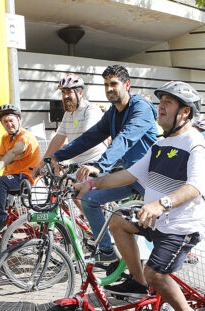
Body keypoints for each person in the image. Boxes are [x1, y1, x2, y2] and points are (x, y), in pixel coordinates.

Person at [74, 82, 205, 311]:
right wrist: (91, 184)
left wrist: (161, 204)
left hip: (181, 227)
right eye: (160, 102)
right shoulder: (160, 145)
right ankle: (138, 282)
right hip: (157, 221)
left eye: (168, 103)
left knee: (155, 274)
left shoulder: (194, 143)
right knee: (118, 221)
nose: (160, 107)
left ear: (185, 112)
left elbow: (195, 186)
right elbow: (129, 175)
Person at [52, 65, 159, 263]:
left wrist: (101, 165)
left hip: (151, 178)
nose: (109, 88)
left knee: (159, 228)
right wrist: (56, 156)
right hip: (129, 176)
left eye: (114, 84)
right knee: (89, 200)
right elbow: (90, 137)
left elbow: (125, 138)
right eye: (106, 84)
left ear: (127, 84)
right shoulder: (113, 113)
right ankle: (106, 251)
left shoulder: (141, 108)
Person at [0, 104, 41, 233]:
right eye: (5, 121)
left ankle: (0, 221)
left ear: (19, 119)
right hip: (11, 177)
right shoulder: (5, 138)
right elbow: (1, 157)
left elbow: (12, 153)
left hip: (25, 178)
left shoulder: (25, 137)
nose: (9, 124)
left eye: (11, 120)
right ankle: (2, 234)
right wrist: (9, 158)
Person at [40, 74, 107, 166]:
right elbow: (58, 139)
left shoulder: (91, 110)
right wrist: (41, 164)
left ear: (80, 92)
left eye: (69, 91)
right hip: (76, 165)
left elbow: (85, 139)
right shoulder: (68, 113)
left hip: (94, 163)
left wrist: (60, 157)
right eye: (63, 92)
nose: (65, 96)